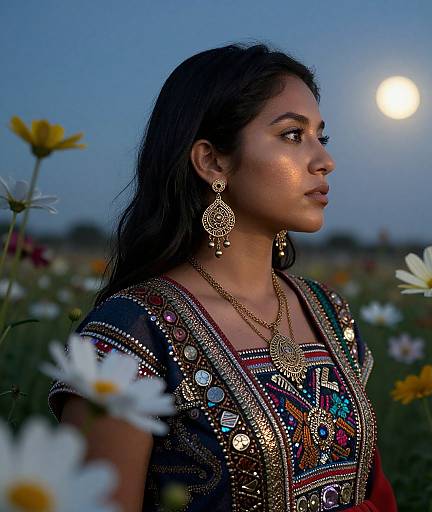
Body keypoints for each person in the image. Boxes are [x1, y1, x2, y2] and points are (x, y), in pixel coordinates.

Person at [48, 42, 398, 512]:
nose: (324, 160)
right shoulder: (128, 339)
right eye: (293, 135)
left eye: (322, 137)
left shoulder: (327, 312)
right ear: (212, 161)